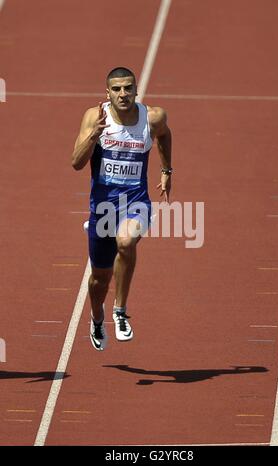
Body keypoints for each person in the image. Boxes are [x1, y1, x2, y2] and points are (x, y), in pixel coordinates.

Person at [71, 67, 172, 351]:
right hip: (102, 208)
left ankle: (120, 311)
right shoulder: (95, 117)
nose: (123, 94)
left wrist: (167, 170)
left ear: (136, 90)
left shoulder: (152, 117)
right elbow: (76, 163)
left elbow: (164, 135)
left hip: (136, 202)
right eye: (116, 89)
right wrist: (94, 135)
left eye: (128, 88)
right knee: (98, 280)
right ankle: (97, 316)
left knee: (126, 242)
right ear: (107, 93)